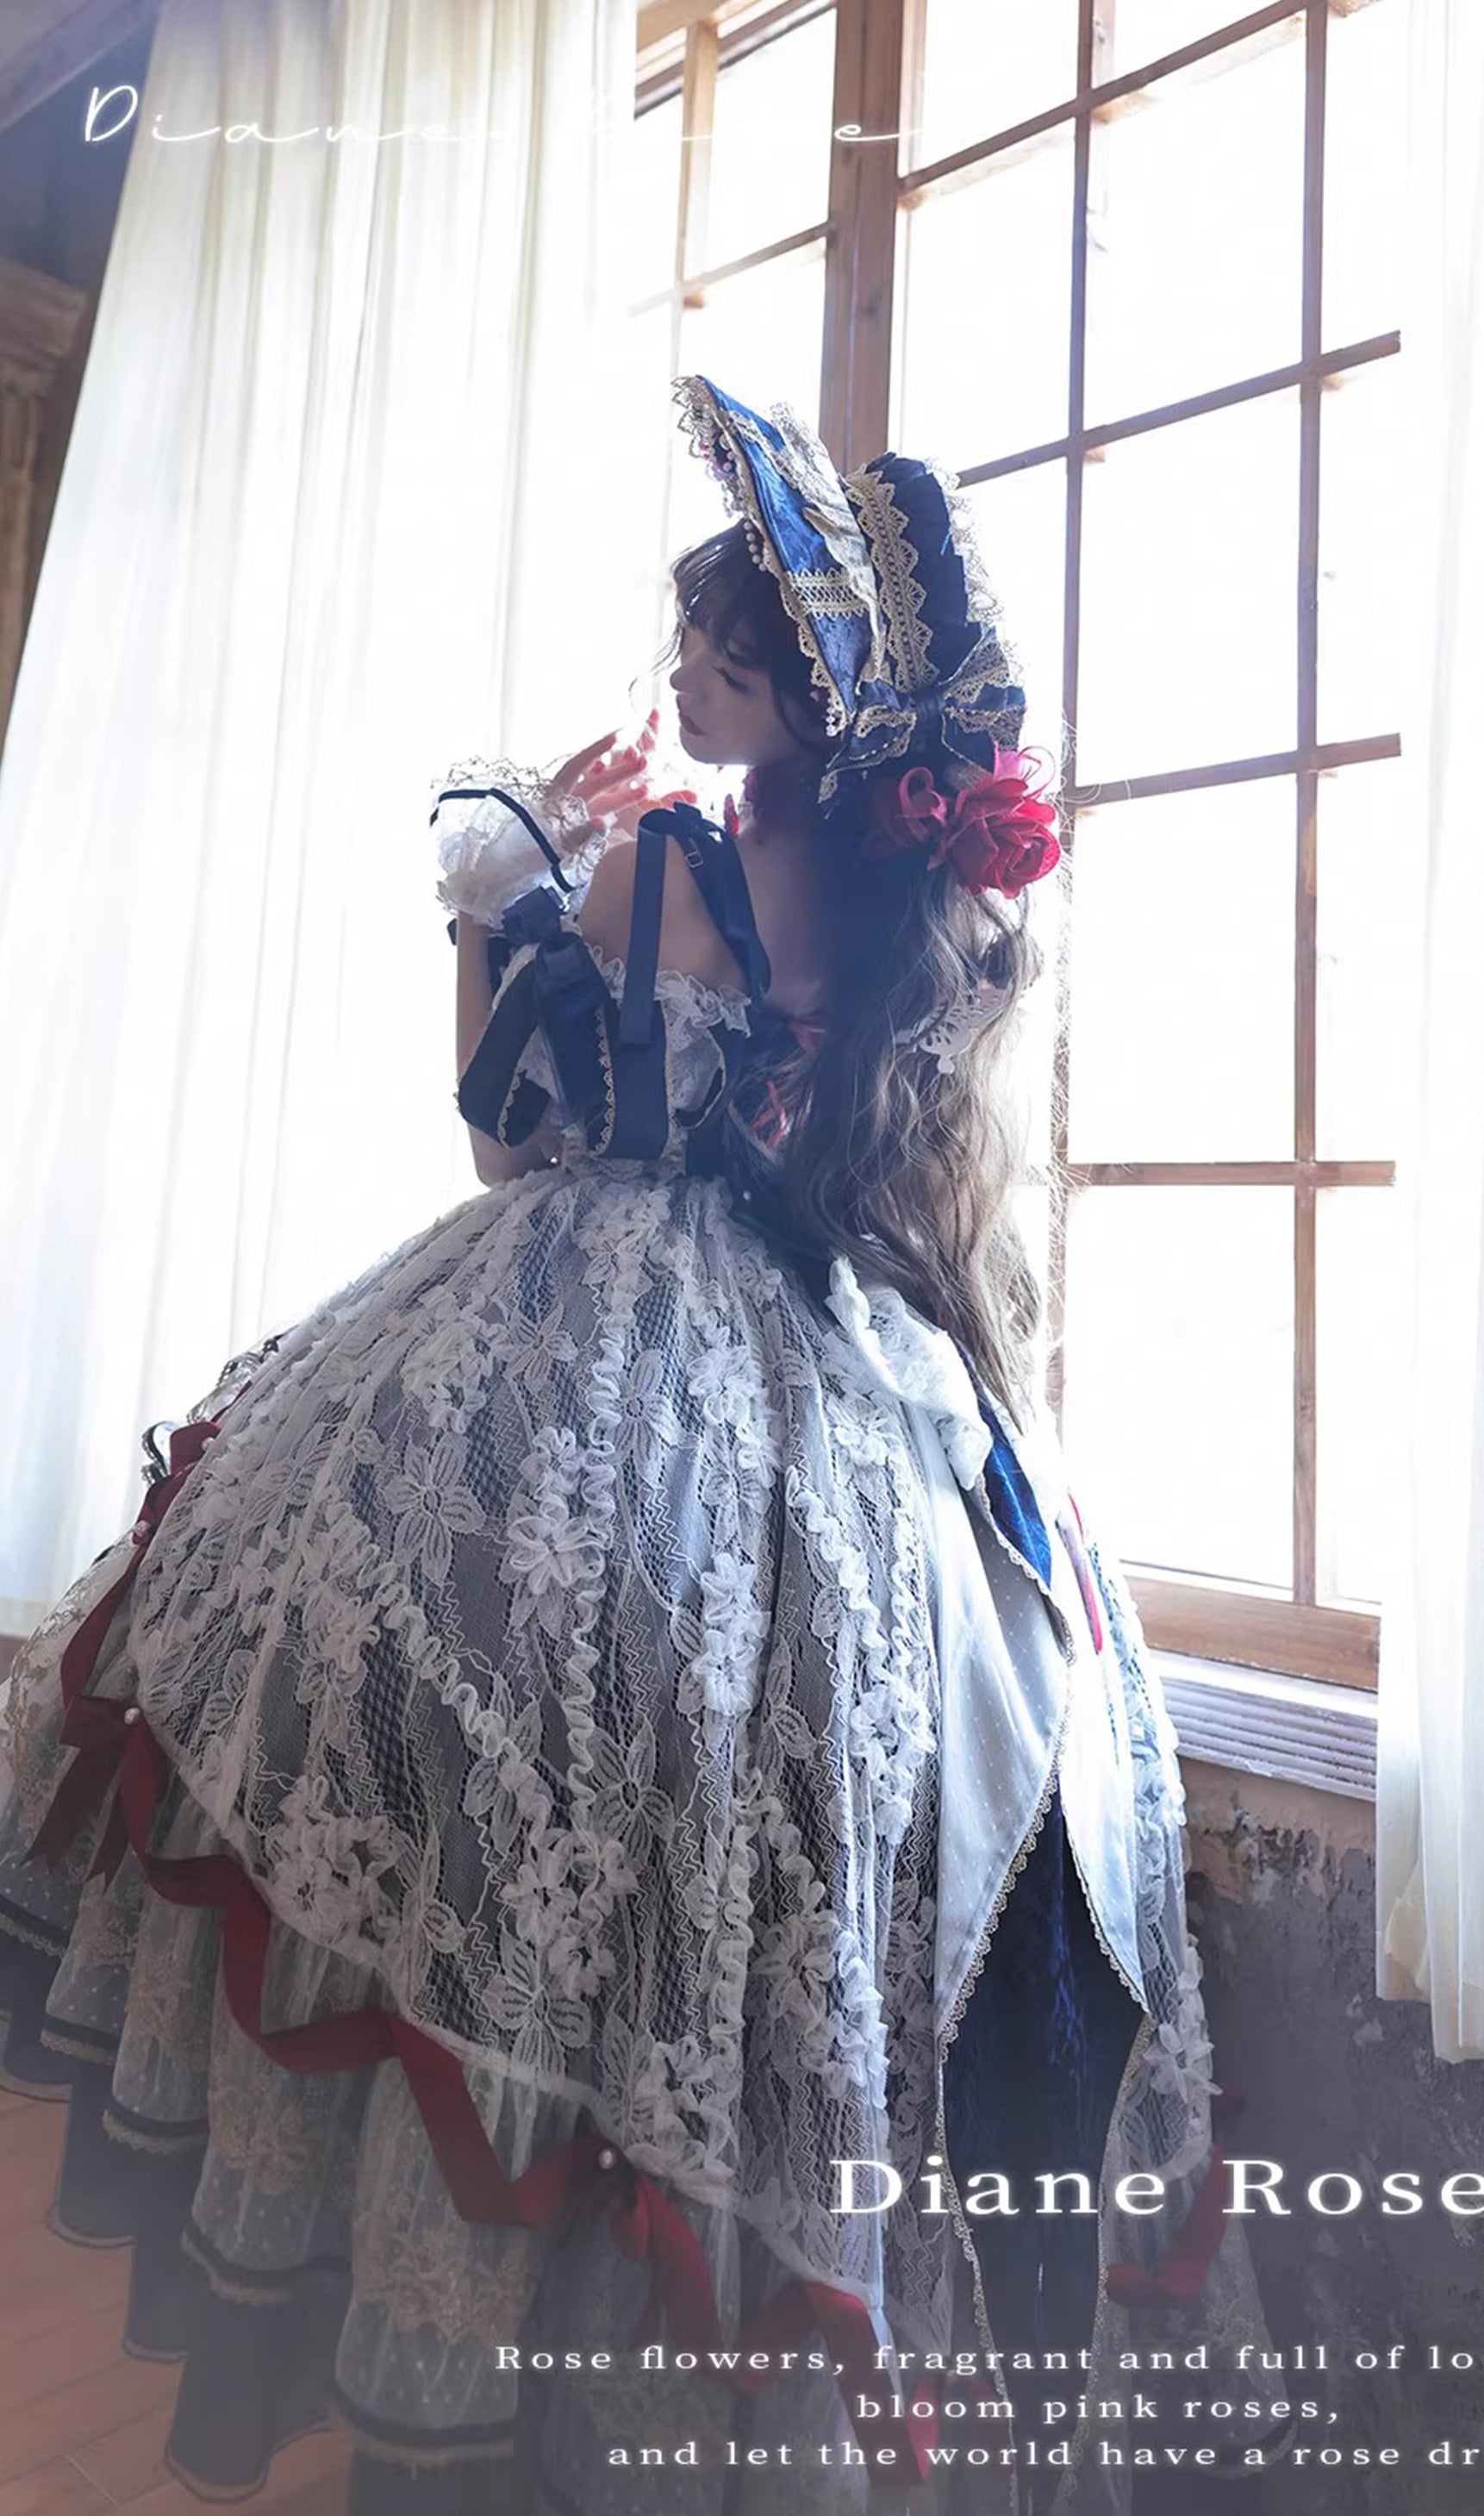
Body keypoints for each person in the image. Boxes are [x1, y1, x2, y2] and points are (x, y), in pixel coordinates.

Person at [0, 376, 1293, 2515]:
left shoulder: (652, 869)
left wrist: (497, 872)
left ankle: (471, 2302)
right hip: (856, 1381)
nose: (683, 672)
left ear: (799, 703)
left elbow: (512, 1141)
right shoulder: (887, 921)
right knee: (727, 1853)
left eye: (723, 654)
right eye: (691, 635)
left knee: (491, 1775)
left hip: (590, 1324)